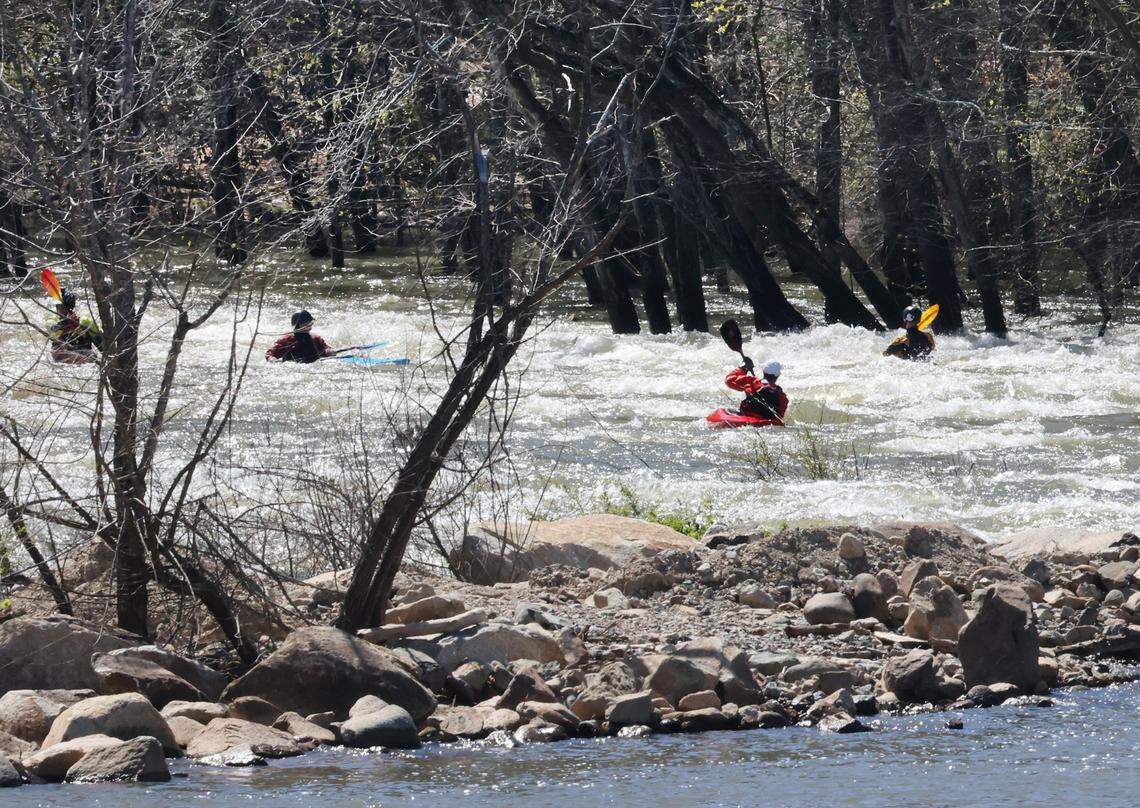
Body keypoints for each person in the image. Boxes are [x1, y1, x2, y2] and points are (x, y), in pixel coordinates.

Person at [725, 358, 788, 423]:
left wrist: (743, 368)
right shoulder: (783, 397)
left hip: (748, 418)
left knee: (727, 410)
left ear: (763, 371)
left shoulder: (751, 381)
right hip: (768, 423)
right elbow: (780, 415)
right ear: (778, 375)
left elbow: (729, 380)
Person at [48, 290, 102, 364]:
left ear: (68, 308)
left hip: (83, 356)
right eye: (57, 307)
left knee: (92, 355)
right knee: (57, 352)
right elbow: (51, 329)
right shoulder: (54, 320)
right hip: (63, 357)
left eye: (61, 308)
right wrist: (63, 325)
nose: (58, 311)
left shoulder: (84, 322)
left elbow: (101, 346)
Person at [266, 310, 336, 363]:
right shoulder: (287, 339)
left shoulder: (315, 338)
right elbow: (270, 354)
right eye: (308, 322)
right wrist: (274, 361)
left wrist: (329, 351)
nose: (311, 324)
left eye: (311, 322)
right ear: (299, 325)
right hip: (294, 367)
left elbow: (326, 348)